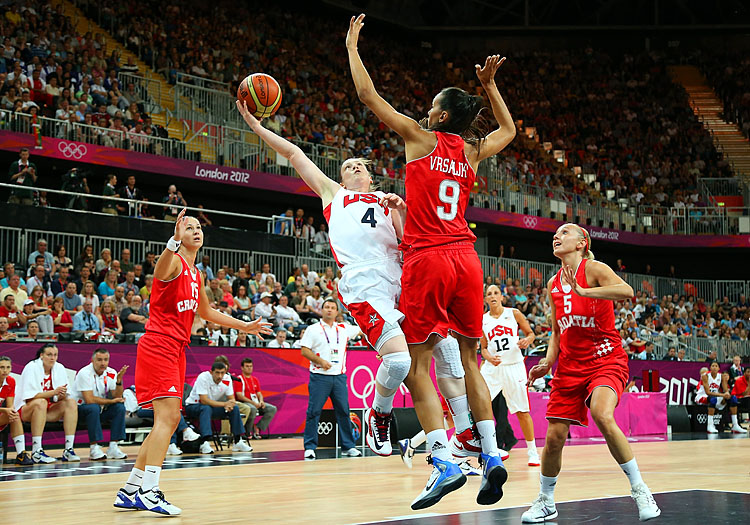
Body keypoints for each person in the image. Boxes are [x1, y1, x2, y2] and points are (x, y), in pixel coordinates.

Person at [347, 15, 515, 508]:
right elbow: (509, 127)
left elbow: (367, 96)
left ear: (439, 118)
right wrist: (490, 86)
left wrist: (353, 47)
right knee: (468, 363)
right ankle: (491, 455)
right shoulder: (473, 149)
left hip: (429, 258)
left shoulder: (420, 140)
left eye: (431, 107)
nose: (424, 111)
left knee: (418, 363)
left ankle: (441, 460)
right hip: (468, 259)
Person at [238, 78, 412, 460]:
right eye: (346, 166)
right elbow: (296, 154)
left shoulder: (387, 199)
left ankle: (456, 437)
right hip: (364, 283)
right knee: (399, 361)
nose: (350, 168)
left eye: (357, 166)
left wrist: (399, 209)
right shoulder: (335, 194)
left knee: (434, 357)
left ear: (369, 175)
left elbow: (405, 242)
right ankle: (377, 417)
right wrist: (257, 127)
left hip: (399, 281)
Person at [113, 209, 271, 516]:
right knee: (168, 419)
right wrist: (172, 240)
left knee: (168, 421)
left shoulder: (197, 275)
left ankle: (130, 490)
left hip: (177, 348)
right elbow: (159, 272)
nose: (196, 230)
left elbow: (208, 314)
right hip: (159, 343)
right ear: (179, 235)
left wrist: (244, 326)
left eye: (199, 227)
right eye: (189, 227)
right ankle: (150, 490)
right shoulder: (172, 263)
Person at [523, 224, 660, 522]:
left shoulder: (594, 268)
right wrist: (548, 361)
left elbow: (627, 291)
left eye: (565, 232)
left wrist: (585, 291)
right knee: (555, 437)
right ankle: (546, 500)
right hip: (569, 367)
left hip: (605, 359)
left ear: (582, 243)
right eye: (555, 234)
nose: (557, 236)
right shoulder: (553, 284)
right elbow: (558, 331)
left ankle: (640, 489)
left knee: (602, 413)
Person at [480, 285, 540, 467]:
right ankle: (482, 448)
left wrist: (527, 340)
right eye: (489, 294)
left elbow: (531, 334)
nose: (493, 296)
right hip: (492, 368)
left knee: (522, 411)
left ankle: (533, 452)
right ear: (485, 299)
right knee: (477, 407)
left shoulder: (513, 313)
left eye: (496, 293)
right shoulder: (482, 320)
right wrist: (489, 356)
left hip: (514, 366)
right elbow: (483, 348)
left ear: (502, 297)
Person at [298, 298, 362, 460]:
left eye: (332, 308)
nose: (329, 310)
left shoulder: (343, 328)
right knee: (314, 412)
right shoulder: (313, 329)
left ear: (337, 312)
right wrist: (320, 361)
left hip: (339, 377)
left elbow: (362, 329)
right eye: (326, 307)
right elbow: (304, 350)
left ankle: (348, 446)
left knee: (344, 412)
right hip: (320, 377)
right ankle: (310, 447)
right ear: (322, 309)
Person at [15, 343, 80, 463]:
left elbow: (59, 397)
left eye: (55, 355)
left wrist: (61, 395)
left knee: (70, 402)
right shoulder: (32, 367)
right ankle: (36, 451)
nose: (53, 358)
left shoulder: (59, 368)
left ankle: (68, 449)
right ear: (41, 356)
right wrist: (54, 392)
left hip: (46, 411)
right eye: (49, 354)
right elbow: (30, 397)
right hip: (25, 410)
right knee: (41, 402)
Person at [184, 361, 253, 454]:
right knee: (206, 408)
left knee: (235, 408)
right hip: (193, 406)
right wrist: (225, 404)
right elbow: (204, 400)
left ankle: (237, 441)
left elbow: (231, 399)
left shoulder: (227, 378)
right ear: (211, 372)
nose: (220, 376)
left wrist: (230, 405)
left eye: (222, 373)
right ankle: (204, 442)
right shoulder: (203, 377)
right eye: (217, 373)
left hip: (211, 407)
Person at [74, 348, 129, 460]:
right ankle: (94, 448)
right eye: (99, 360)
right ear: (92, 360)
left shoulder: (111, 372)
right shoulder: (84, 373)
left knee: (119, 407)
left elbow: (117, 397)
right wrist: (111, 401)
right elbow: (89, 399)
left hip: (99, 410)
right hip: (79, 411)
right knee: (92, 407)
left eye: (105, 360)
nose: (103, 363)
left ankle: (113, 446)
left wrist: (119, 381)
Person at [0, 355, 34, 465]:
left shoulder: (10, 381)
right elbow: (6, 409)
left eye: (8, 367)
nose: (5, 371)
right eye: (1, 367)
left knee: (14, 414)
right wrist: (5, 410)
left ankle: (21, 454)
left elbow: (10, 406)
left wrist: (9, 411)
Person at [695, 360, 743, 434]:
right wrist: (722, 395)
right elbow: (708, 392)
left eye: (716, 366)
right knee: (713, 399)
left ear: (719, 368)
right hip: (702, 396)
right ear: (710, 368)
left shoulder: (721, 376)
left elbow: (725, 389)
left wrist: (727, 394)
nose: (714, 368)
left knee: (733, 398)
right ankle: (710, 426)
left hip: (716, 395)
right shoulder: (705, 376)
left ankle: (735, 425)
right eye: (712, 366)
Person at [236, 358, 277, 439]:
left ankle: (258, 427)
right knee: (252, 409)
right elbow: (239, 395)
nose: (249, 368)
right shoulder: (239, 379)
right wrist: (253, 403)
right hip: (245, 402)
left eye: (251, 366)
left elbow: (259, 393)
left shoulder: (254, 379)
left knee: (272, 409)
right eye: (247, 366)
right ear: (242, 368)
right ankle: (247, 432)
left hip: (256, 402)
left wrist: (261, 401)